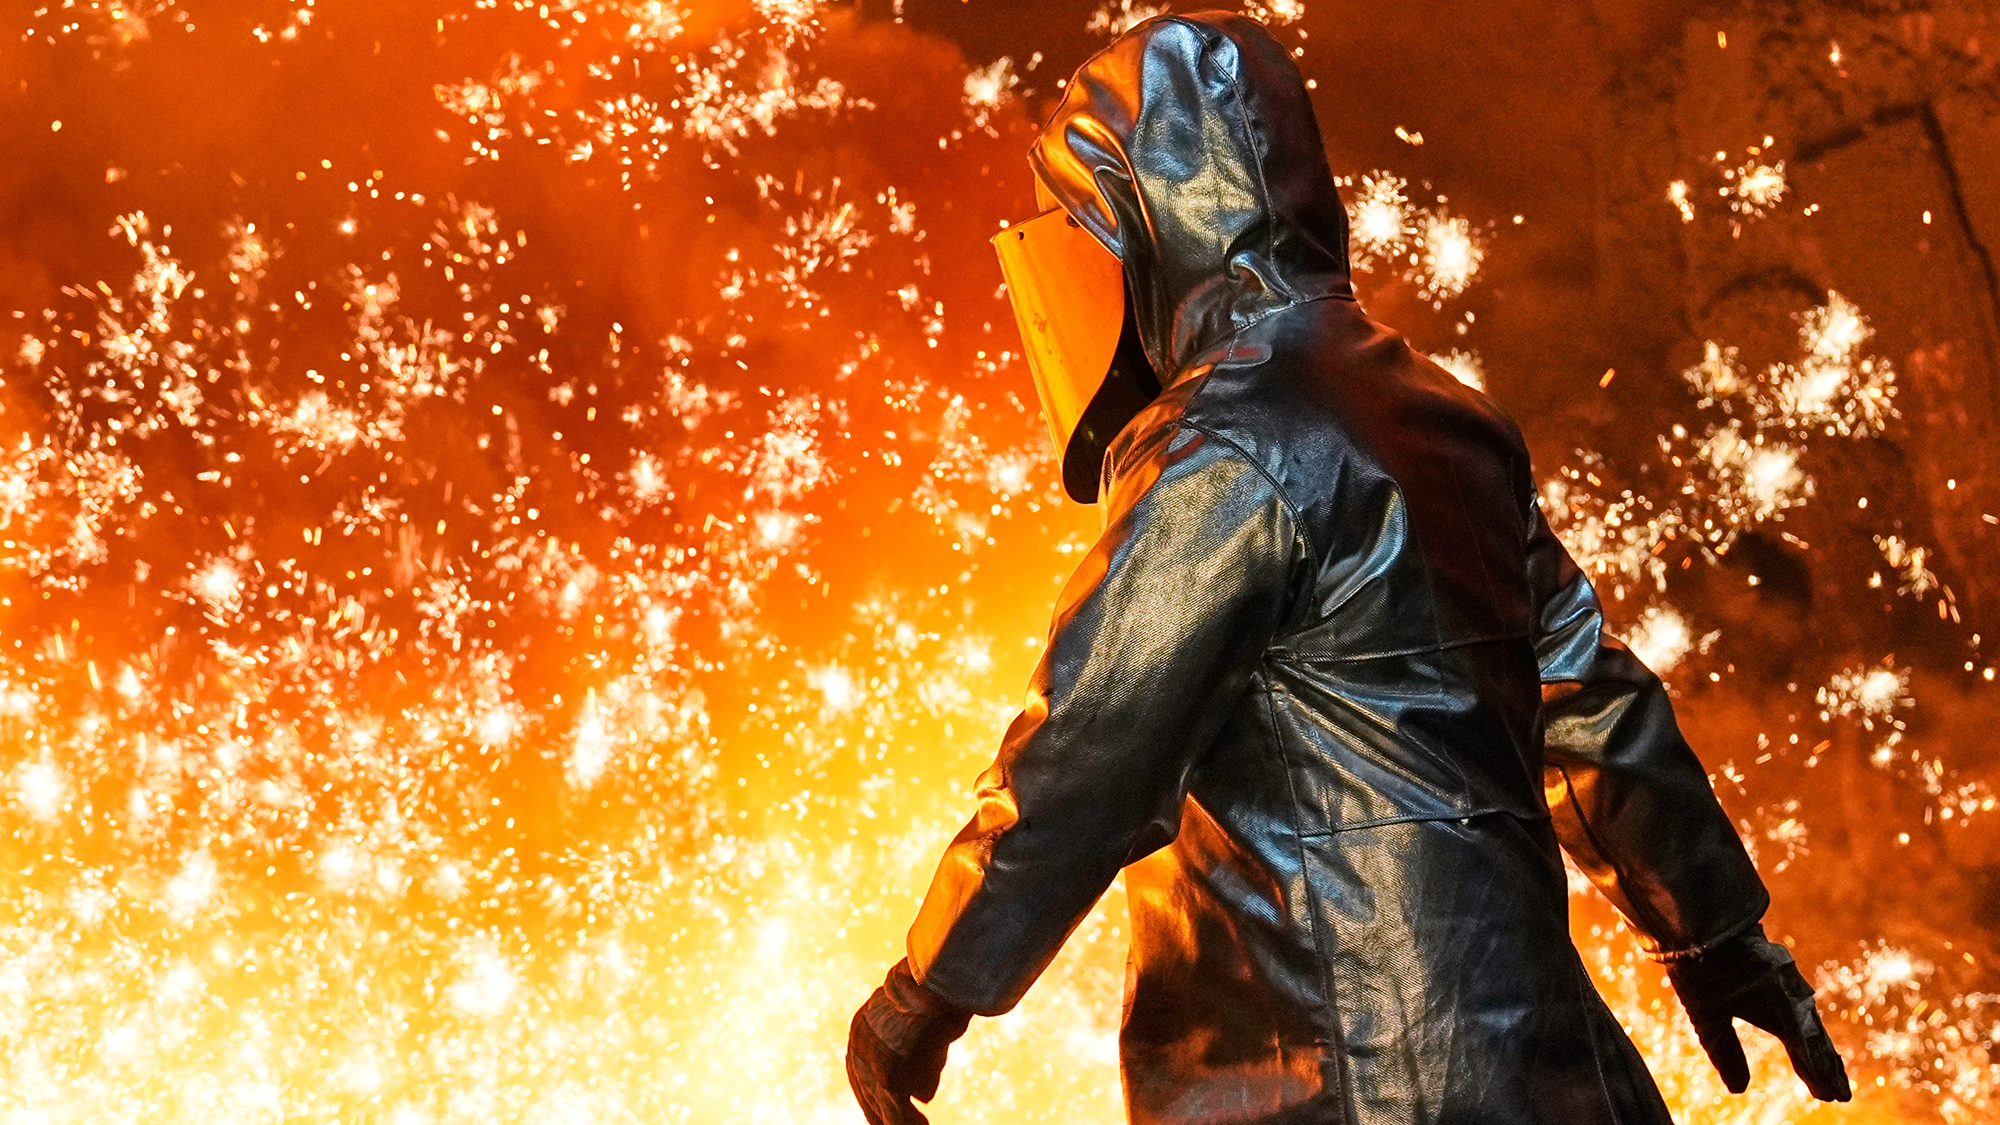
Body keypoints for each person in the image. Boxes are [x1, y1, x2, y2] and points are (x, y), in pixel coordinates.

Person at [846, 12, 1851, 1125]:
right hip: (1543, 1069)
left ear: (1142, 220)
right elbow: (1592, 707)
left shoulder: (1221, 445)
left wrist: (926, 988)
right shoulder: (1448, 421)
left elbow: (1092, 745)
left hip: (1334, 1073)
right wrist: (1714, 933)